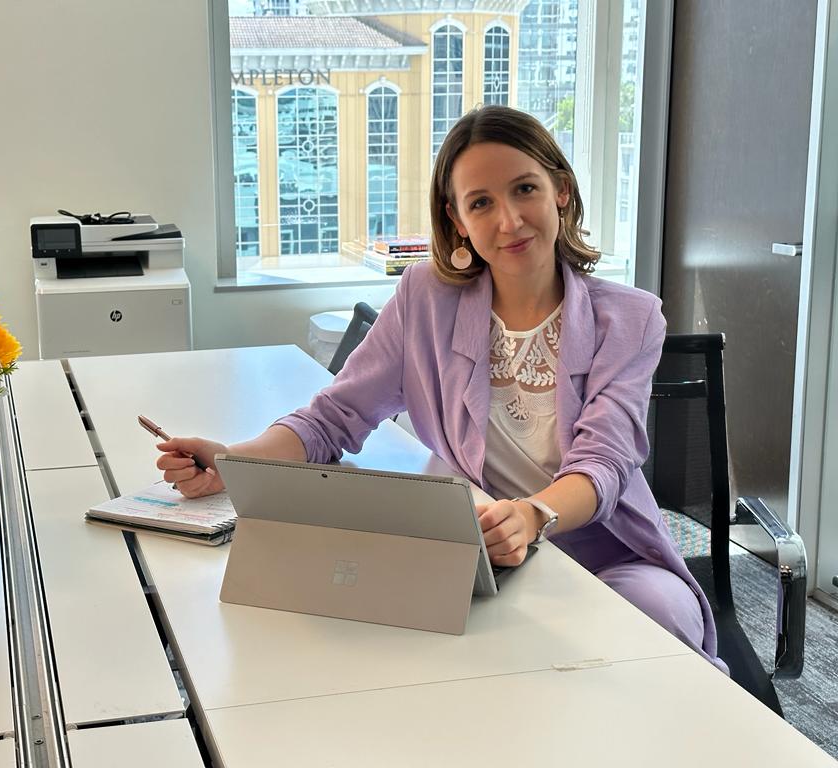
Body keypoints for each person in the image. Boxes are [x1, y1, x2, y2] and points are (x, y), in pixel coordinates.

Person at [156, 105, 727, 673]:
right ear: (456, 219)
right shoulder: (424, 299)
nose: (509, 220)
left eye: (524, 188)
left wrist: (532, 516)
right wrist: (234, 461)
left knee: (659, 624)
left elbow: (605, 461)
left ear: (561, 191)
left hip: (607, 551)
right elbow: (334, 418)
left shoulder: (630, 318)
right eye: (481, 202)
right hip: (472, 552)